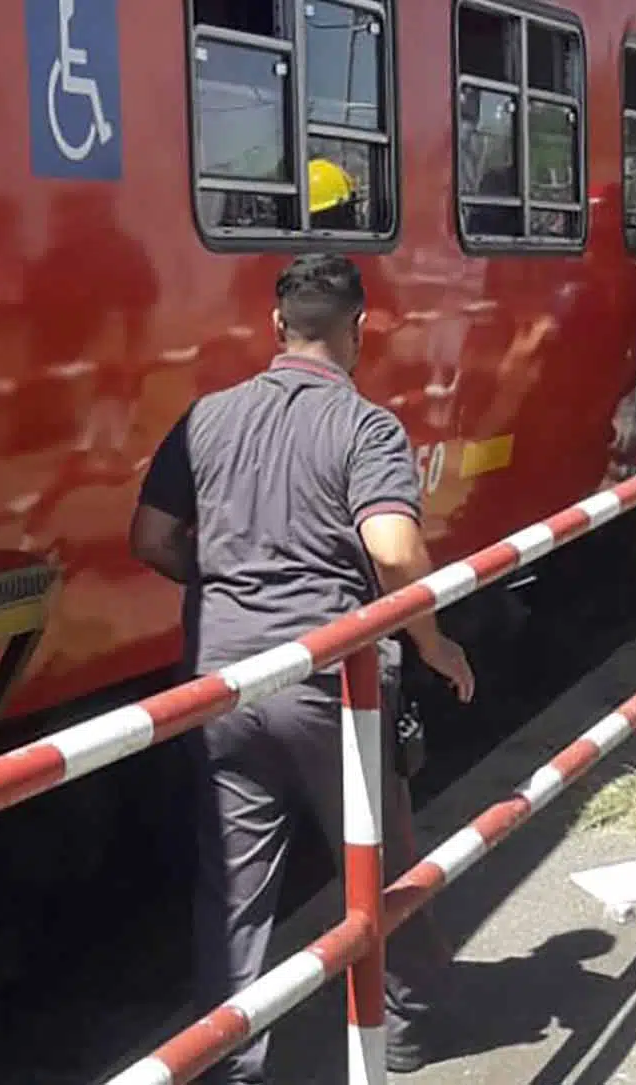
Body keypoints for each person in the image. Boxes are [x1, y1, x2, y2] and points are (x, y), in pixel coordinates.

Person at [131, 253, 476, 1082]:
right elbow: (393, 552)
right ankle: (411, 1024)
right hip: (333, 684)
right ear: (359, 329)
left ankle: (229, 1063)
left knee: (234, 893)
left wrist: (227, 590)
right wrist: (436, 644)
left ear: (277, 325)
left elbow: (149, 537)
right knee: (381, 859)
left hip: (221, 685)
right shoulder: (366, 428)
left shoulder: (205, 418)